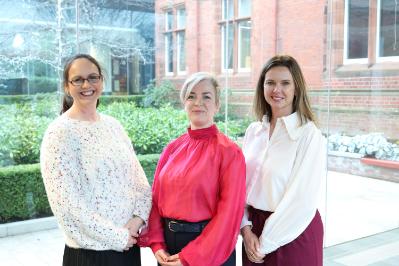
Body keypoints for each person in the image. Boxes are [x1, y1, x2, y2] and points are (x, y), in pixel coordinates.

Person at [40, 54, 152, 266]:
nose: (86, 85)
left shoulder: (114, 126)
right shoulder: (59, 133)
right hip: (91, 255)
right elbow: (67, 205)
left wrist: (137, 220)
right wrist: (117, 237)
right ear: (67, 86)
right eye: (78, 79)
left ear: (101, 81)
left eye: (93, 77)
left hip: (128, 247)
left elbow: (139, 182)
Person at [139, 72, 246, 266]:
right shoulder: (172, 149)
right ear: (184, 103)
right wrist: (157, 244)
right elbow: (155, 200)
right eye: (191, 96)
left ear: (217, 105)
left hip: (210, 250)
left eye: (206, 96)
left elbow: (229, 214)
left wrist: (193, 256)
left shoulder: (230, 152)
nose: (198, 102)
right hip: (169, 250)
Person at [240, 55, 326, 266]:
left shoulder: (308, 134)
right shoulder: (254, 131)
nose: (276, 90)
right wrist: (245, 228)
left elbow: (302, 200)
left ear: (297, 88)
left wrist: (264, 244)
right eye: (270, 83)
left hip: (292, 233)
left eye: (285, 83)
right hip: (252, 232)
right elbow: (239, 186)